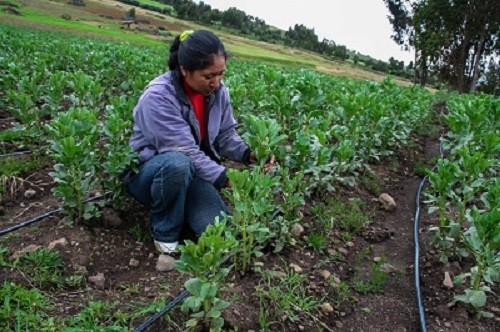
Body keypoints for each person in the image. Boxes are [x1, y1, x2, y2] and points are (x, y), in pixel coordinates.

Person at [124, 30, 272, 255]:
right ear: (184, 69)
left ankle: (183, 209)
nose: (216, 82)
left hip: (194, 174)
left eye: (221, 74)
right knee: (177, 163)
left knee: (220, 233)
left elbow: (225, 135)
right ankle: (165, 232)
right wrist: (228, 179)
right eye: (209, 75)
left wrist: (248, 154)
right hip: (152, 173)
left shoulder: (218, 92)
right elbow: (185, 152)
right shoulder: (158, 97)